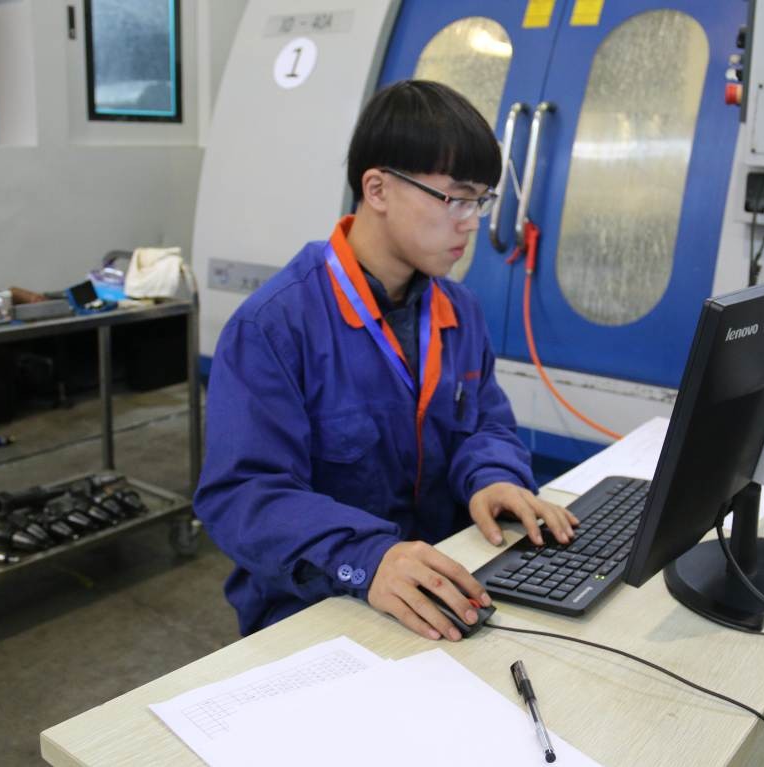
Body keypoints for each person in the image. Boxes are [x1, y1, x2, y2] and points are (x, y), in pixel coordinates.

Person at [195, 80, 577, 642]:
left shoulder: (458, 311)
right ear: (377, 189)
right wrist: (367, 557)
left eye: (481, 202)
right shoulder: (274, 327)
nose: (472, 222)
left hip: (443, 589)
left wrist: (491, 477)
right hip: (317, 603)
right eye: (456, 199)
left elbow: (484, 425)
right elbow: (244, 494)